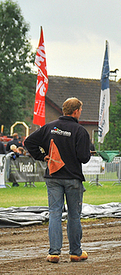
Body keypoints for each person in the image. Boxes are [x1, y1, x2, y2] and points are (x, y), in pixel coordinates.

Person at [24, 98, 92, 263]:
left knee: (55, 213)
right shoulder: (80, 131)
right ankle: (75, 252)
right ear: (76, 111)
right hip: (72, 178)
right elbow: (84, 158)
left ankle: (54, 252)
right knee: (74, 216)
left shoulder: (49, 127)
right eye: (80, 110)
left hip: (53, 177)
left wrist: (42, 157)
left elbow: (28, 142)